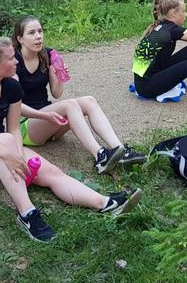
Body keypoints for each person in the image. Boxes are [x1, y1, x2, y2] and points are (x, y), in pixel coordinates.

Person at [0, 35, 142, 243]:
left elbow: (14, 128)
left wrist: (18, 155)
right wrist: (10, 154)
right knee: (5, 141)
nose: (16, 61)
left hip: (1, 148)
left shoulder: (11, 86)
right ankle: (27, 214)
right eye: (11, 58)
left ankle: (105, 203)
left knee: (51, 172)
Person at [12, 16, 147, 174]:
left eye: (40, 31)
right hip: (27, 126)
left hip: (50, 124)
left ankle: (120, 149)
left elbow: (56, 93)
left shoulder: (47, 54)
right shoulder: (14, 62)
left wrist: (58, 75)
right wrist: (46, 116)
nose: (38, 36)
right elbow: (15, 106)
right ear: (20, 38)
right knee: (70, 105)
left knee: (89, 101)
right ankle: (100, 156)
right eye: (31, 33)